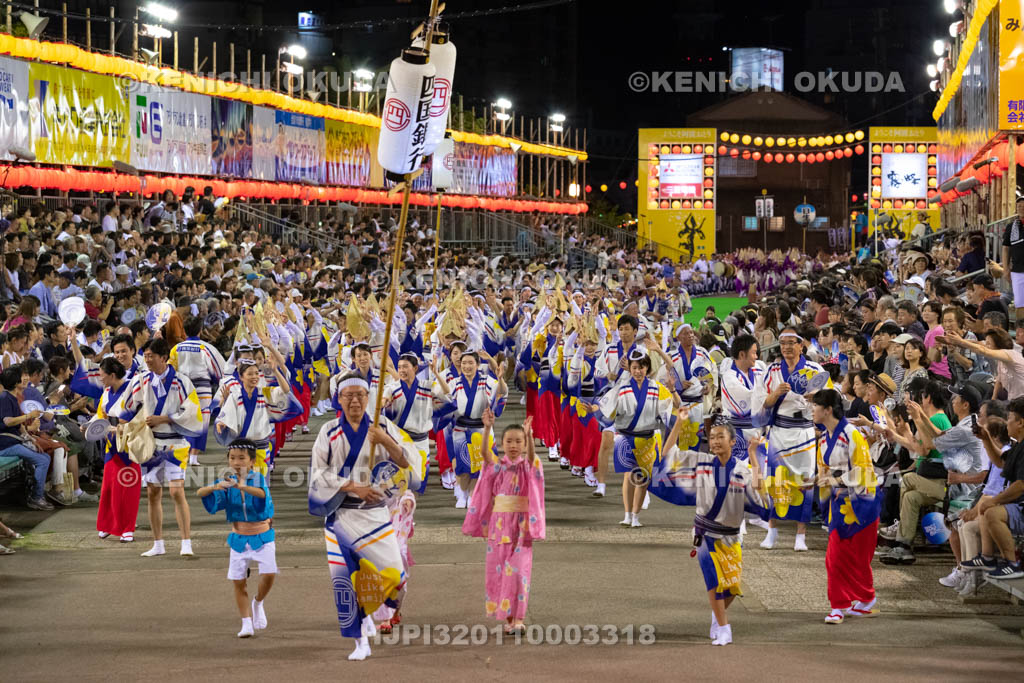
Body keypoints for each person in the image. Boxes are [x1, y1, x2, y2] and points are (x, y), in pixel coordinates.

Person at [308, 373, 416, 661]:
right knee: (344, 581)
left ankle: (368, 611)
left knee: (395, 577)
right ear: (339, 399)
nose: (355, 400)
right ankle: (359, 642)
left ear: (368, 399)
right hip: (341, 516)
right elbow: (317, 474)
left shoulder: (381, 426)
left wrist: (386, 441)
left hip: (376, 515)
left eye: (360, 395)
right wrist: (354, 486)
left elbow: (405, 462)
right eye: (348, 396)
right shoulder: (328, 432)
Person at [657, 410, 768, 646]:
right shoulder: (702, 461)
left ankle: (716, 614)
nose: (715, 441)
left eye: (720, 437)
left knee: (732, 587)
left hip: (732, 536)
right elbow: (668, 455)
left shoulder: (743, 470)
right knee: (715, 581)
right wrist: (678, 422)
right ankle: (724, 626)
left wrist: (754, 456)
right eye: (712, 437)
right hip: (705, 534)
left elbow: (761, 498)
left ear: (732, 441)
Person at [462, 407, 545, 635]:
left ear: (525, 444)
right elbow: (484, 456)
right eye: (509, 441)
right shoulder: (498, 466)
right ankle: (510, 619)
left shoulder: (528, 465)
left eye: (518, 441)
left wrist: (529, 435)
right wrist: (487, 427)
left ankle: (519, 618)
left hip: (521, 527)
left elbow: (531, 458)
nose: (514, 445)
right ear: (502, 443)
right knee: (500, 573)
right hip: (499, 527)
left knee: (519, 572)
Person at [118, 339, 204, 558]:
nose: (147, 360)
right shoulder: (141, 380)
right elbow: (126, 407)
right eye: (145, 355)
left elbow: (193, 411)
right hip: (151, 444)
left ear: (163, 357)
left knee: (177, 491)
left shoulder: (182, 381)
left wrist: (165, 418)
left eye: (151, 356)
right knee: (153, 493)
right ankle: (158, 543)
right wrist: (124, 424)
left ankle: (186, 541)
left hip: (175, 443)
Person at [753, 329, 827, 551]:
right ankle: (772, 531)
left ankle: (800, 536)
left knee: (804, 481)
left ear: (800, 346)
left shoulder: (815, 370)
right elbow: (760, 403)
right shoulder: (772, 370)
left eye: (791, 343)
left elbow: (831, 399)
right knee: (775, 481)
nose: (786, 347)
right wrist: (775, 394)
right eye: (782, 343)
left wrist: (816, 398)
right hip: (779, 430)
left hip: (804, 431)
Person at [812, 390, 881, 624]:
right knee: (836, 556)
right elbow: (823, 470)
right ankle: (840, 605)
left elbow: (863, 471)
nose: (812, 410)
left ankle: (863, 599)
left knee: (857, 557)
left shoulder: (852, 434)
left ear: (828, 410)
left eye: (815, 406)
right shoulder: (823, 438)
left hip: (863, 502)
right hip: (840, 503)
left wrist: (833, 480)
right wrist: (817, 481)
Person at [197, 438, 277, 638]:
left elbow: (261, 495)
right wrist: (216, 487)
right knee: (238, 581)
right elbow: (200, 492)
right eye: (232, 458)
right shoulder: (226, 481)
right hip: (239, 537)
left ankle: (258, 602)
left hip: (262, 535)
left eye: (242, 458)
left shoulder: (258, 479)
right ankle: (246, 623)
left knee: (269, 574)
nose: (236, 462)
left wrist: (241, 486)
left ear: (252, 461)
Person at [599, 348, 674, 528]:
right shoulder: (622, 387)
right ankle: (627, 514)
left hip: (647, 437)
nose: (638, 371)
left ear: (647, 368)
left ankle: (636, 515)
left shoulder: (657, 388)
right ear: (629, 369)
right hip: (625, 437)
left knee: (643, 478)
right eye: (634, 367)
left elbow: (667, 407)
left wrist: (674, 394)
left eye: (641, 367)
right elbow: (607, 409)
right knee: (628, 475)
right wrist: (598, 412)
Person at [966, 400, 1024, 580]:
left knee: (992, 511)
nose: (1007, 423)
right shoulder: (1018, 446)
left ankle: (1012, 563)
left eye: (1011, 419)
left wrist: (995, 500)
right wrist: (985, 439)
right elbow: (1001, 462)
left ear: (1021, 423)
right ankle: (988, 558)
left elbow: (1021, 485)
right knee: (987, 508)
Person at [214, 355, 299, 475]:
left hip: (261, 447)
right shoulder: (235, 396)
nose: (254, 377)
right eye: (250, 374)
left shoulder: (264, 393)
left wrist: (275, 371)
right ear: (241, 377)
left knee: (259, 485)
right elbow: (226, 414)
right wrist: (222, 422)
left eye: (256, 373)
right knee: (242, 485)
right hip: (241, 449)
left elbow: (285, 390)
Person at [91, 357, 140, 543]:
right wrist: (89, 426)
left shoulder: (133, 390)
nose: (100, 379)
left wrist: (120, 428)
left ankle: (127, 528)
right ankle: (107, 525)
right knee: (109, 488)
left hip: (129, 444)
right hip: (111, 445)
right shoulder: (106, 393)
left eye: (102, 376)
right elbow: (99, 416)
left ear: (112, 375)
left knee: (127, 488)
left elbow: (140, 417)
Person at [170, 315, 227, 466]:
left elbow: (170, 369)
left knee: (184, 418)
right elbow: (220, 370)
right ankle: (194, 456)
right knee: (201, 420)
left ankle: (184, 452)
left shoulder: (176, 348)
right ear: (200, 330)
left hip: (181, 388)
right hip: (202, 388)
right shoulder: (205, 347)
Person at [0, 366, 52, 511]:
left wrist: (31, 439)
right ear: (15, 381)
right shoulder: (5, 397)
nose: (24, 378)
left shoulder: (10, 396)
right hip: (5, 445)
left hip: (12, 441)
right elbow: (8, 421)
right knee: (43, 460)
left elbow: (20, 426)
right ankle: (36, 497)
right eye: (20, 376)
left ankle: (35, 494)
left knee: (43, 457)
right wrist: (29, 415)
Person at [1002, 197, 1024, 334]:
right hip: (1017, 270)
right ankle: (1021, 331)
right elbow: (1005, 248)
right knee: (1020, 303)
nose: (1021, 208)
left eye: (1023, 205)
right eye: (1019, 206)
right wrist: (1005, 268)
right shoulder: (1012, 226)